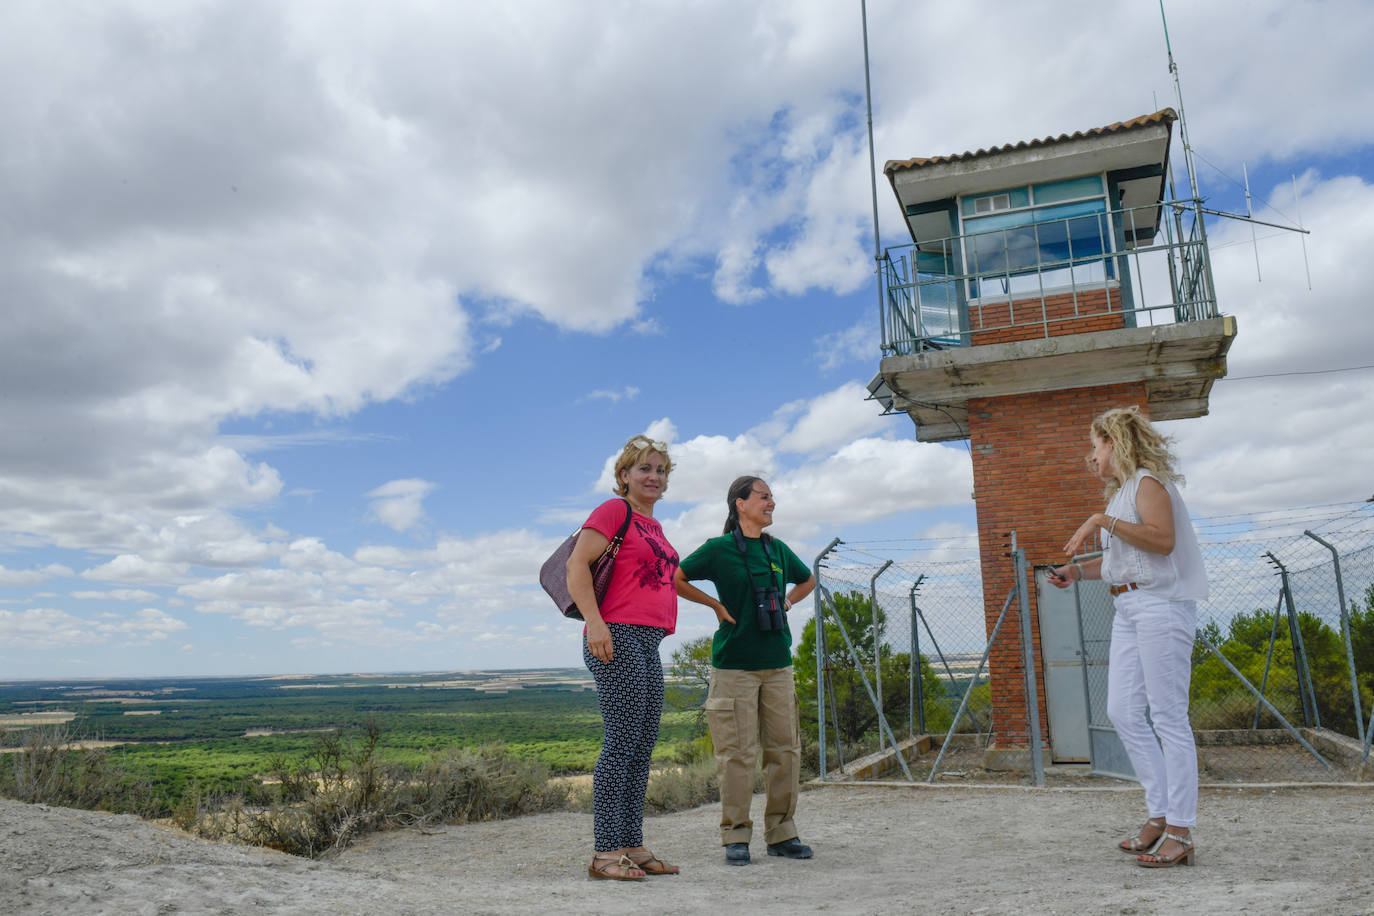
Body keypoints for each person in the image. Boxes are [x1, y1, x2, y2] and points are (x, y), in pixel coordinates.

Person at [1048, 406, 1208, 868]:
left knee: (1169, 717)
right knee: (1122, 710)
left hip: (1162, 607)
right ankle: (1160, 812)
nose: (1091, 456)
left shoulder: (1147, 484)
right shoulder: (1121, 496)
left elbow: (1162, 541)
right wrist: (1077, 571)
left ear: (1115, 442)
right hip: (1128, 607)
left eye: (1095, 445)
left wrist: (1100, 521)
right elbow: (1122, 562)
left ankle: (1180, 829)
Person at [674, 476, 817, 866]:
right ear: (740, 503)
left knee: (785, 752)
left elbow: (808, 580)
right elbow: (676, 578)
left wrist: (787, 601)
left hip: (777, 666)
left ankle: (782, 834)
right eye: (764, 496)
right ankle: (735, 837)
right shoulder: (718, 550)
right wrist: (715, 607)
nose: (772, 502)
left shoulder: (778, 549)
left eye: (772, 496)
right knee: (737, 755)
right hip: (734, 668)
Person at [567, 435, 681, 881]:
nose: (654, 477)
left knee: (642, 743)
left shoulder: (654, 525)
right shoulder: (615, 512)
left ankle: (631, 842)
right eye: (645, 469)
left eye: (661, 471)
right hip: (616, 635)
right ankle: (604, 851)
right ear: (624, 476)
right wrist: (596, 624)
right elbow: (578, 564)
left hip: (648, 641)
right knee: (621, 743)